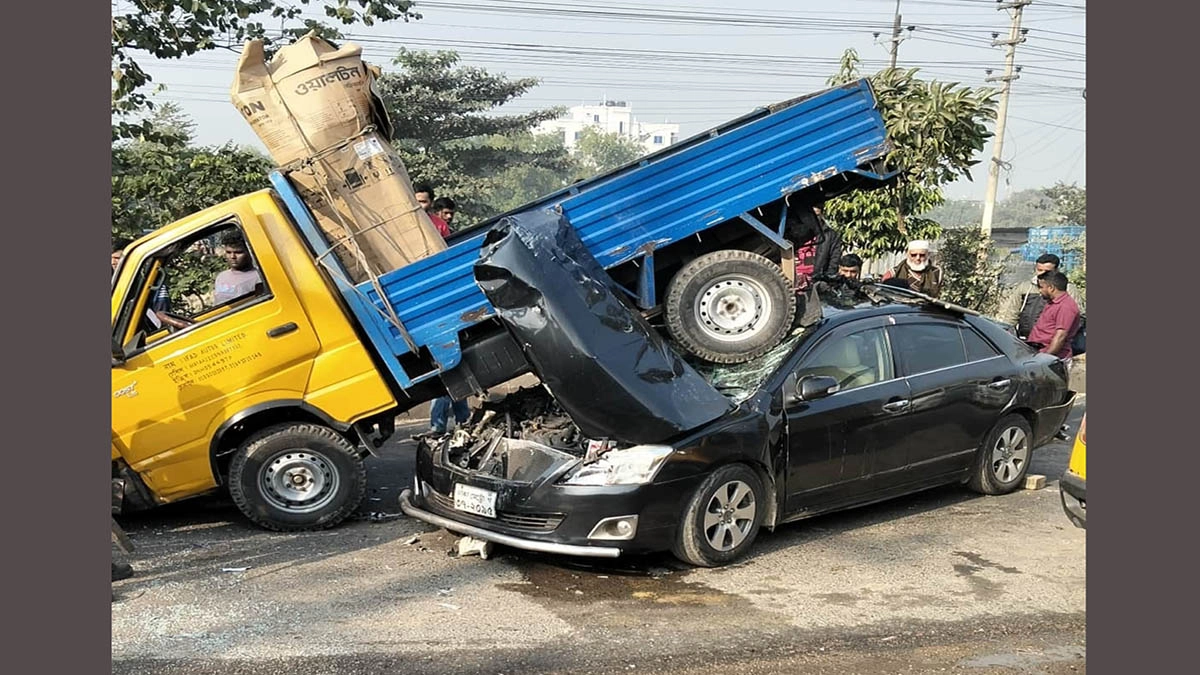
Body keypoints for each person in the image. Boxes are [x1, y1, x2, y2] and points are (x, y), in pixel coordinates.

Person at [784, 192, 843, 291]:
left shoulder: (830, 235)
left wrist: (825, 282)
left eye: (816, 216)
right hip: (791, 283)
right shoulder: (789, 232)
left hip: (815, 284)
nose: (812, 220)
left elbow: (834, 261)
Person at [996, 253, 1060, 339]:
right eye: (1039, 270)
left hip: (1053, 342)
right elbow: (1011, 314)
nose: (1042, 274)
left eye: (1047, 271)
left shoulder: (1066, 290)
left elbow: (1078, 318)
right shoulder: (1025, 287)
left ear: (1056, 271)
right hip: (1025, 340)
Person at [1025, 271, 1082, 361]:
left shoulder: (1066, 307)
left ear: (1051, 288)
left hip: (1053, 359)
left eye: (1041, 287)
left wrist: (1044, 359)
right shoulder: (1052, 302)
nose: (1039, 291)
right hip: (1038, 353)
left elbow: (1060, 337)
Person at [213, 231, 264, 305]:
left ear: (249, 252)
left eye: (238, 252)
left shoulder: (259, 277)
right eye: (228, 252)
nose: (232, 257)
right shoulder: (221, 277)